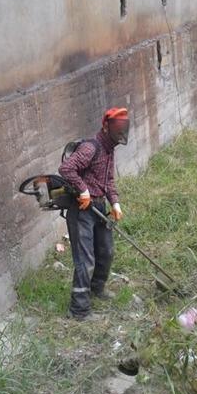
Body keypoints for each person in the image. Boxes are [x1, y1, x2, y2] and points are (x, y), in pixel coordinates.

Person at [58, 107, 130, 321]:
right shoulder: (91, 148)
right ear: (106, 127)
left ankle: (96, 288)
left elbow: (108, 180)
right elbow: (66, 169)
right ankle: (78, 310)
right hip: (82, 210)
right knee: (85, 259)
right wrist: (83, 190)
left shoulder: (110, 149)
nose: (120, 136)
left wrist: (115, 203)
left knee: (106, 251)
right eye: (118, 131)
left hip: (98, 207)